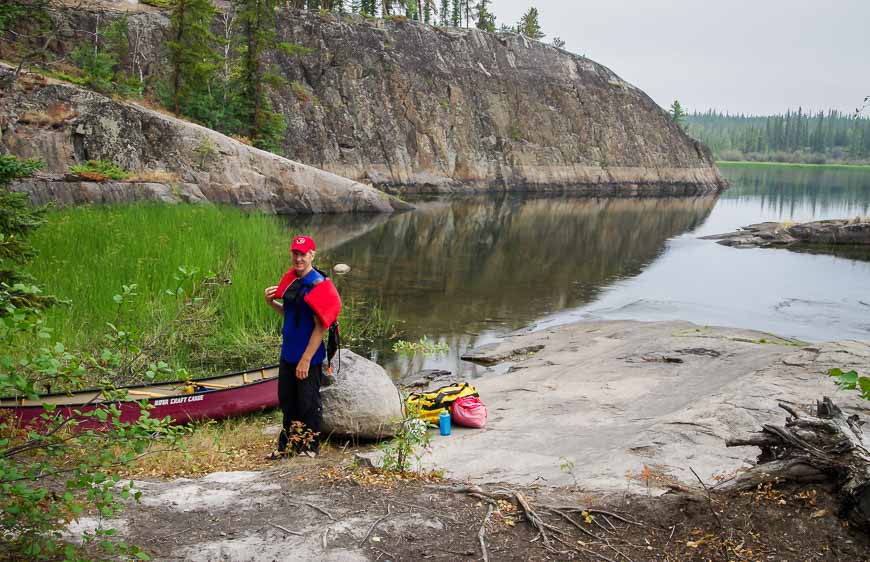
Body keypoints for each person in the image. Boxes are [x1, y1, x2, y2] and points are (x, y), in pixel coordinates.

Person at [264, 235, 340, 459]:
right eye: (295, 254)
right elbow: (290, 314)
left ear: (312, 255)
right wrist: (272, 303)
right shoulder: (292, 281)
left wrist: (306, 359)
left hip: (309, 357)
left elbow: (320, 327)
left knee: (308, 403)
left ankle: (310, 448)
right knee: (288, 402)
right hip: (288, 354)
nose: (298, 259)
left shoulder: (317, 285)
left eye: (303, 254)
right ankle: (287, 448)